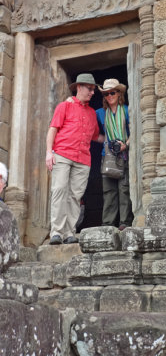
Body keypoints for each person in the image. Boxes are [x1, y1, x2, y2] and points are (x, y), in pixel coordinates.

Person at [46, 73, 100, 245]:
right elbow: (52, 129)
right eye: (89, 89)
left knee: (75, 196)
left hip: (83, 159)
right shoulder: (64, 106)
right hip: (62, 154)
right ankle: (56, 232)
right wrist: (49, 152)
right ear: (79, 87)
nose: (92, 92)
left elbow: (95, 137)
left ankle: (70, 232)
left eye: (93, 89)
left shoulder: (92, 113)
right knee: (59, 190)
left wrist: (118, 140)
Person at [97, 78, 133, 230]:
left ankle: (125, 222)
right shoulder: (99, 113)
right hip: (107, 156)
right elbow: (91, 133)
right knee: (109, 190)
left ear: (119, 93)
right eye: (106, 94)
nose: (109, 96)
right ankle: (108, 223)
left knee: (124, 189)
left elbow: (135, 129)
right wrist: (107, 141)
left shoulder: (127, 110)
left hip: (124, 154)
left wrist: (126, 144)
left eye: (112, 92)